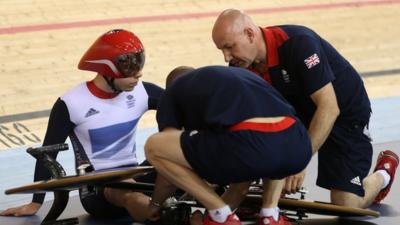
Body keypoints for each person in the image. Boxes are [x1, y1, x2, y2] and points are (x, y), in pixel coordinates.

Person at [211, 8, 399, 211]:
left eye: (229, 47)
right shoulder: (240, 66)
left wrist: (297, 162)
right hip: (300, 113)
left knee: (346, 203)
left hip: (342, 114)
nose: (226, 57)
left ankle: (384, 174)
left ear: (249, 34)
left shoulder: (298, 43)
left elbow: (329, 108)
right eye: (222, 50)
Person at [0, 29, 163, 222]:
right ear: (107, 70)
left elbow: (183, 106)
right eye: (131, 68)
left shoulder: (143, 92)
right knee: (130, 194)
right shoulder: (72, 103)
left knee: (183, 162)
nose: (139, 74)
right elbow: (47, 153)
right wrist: (36, 202)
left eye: (139, 63)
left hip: (134, 177)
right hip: (97, 191)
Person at [144, 65, 312, 225]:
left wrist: (155, 205)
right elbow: (241, 186)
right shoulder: (228, 85)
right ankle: (270, 214)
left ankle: (220, 215)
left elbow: (168, 172)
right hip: (298, 146)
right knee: (263, 145)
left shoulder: (172, 93)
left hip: (253, 146)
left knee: (155, 146)